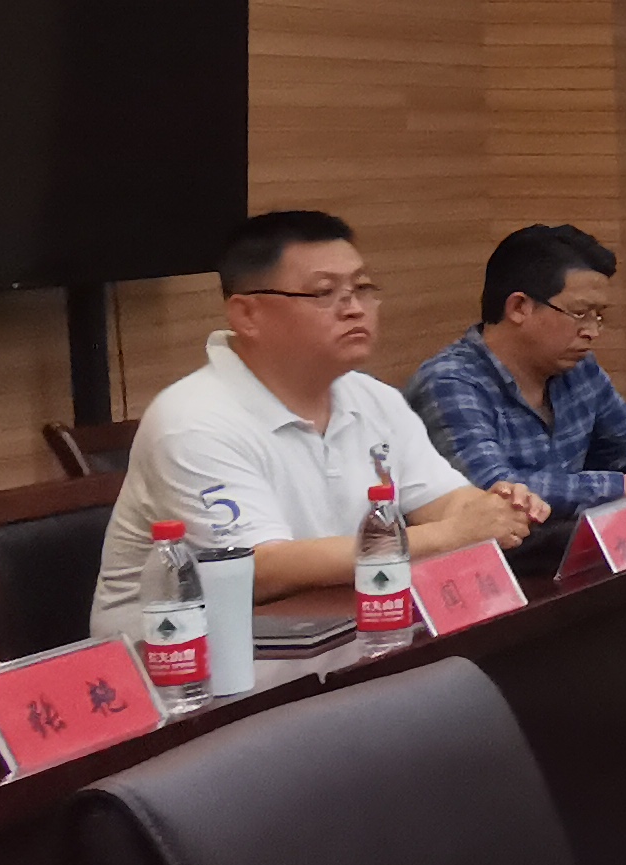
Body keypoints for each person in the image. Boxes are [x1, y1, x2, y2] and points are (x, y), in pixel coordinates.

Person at [94, 212, 540, 634]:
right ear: (247, 314)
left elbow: (442, 500)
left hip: (335, 633)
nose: (354, 308)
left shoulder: (374, 398)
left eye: (362, 288)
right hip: (181, 662)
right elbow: (258, 568)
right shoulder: (192, 421)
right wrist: (449, 535)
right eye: (325, 293)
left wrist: (491, 508)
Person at [407, 223, 626, 514]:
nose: (592, 332)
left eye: (599, 316)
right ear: (519, 307)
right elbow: (496, 490)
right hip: (501, 542)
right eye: (580, 313)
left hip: (566, 537)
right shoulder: (449, 382)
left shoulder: (579, 368)